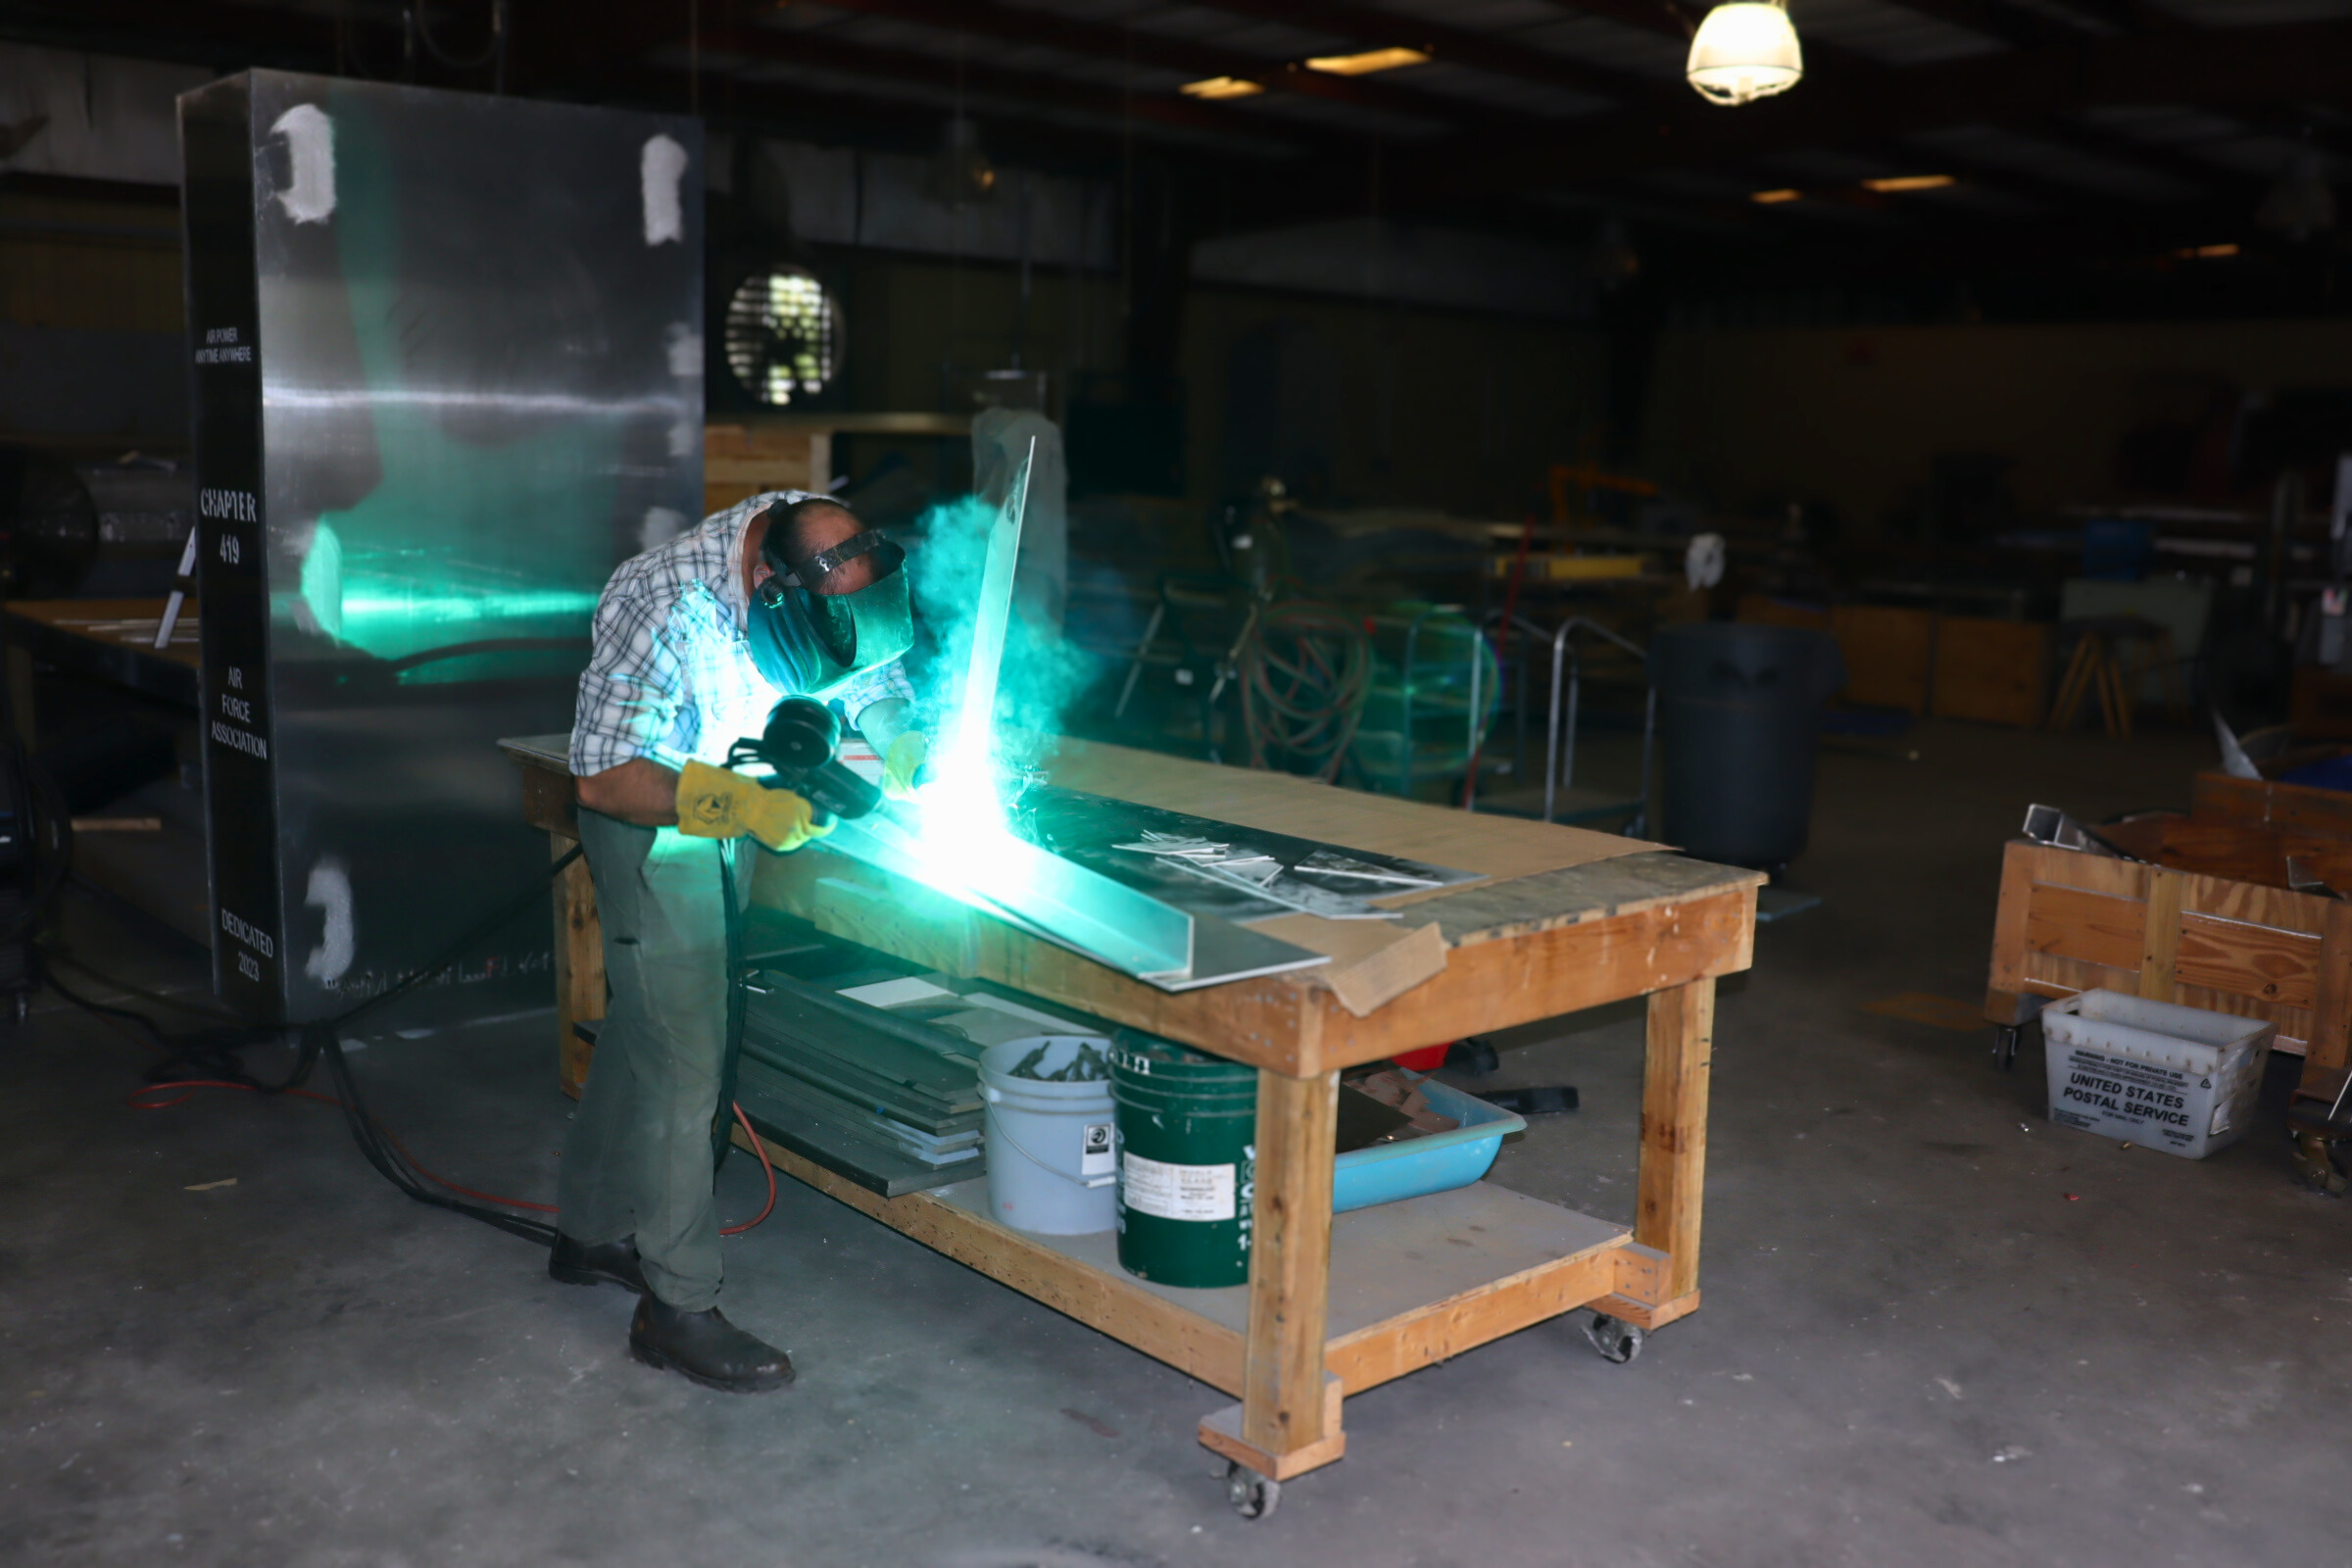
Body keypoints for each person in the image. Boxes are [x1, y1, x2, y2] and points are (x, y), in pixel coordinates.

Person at [555, 490, 926, 1393]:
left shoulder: (823, 559)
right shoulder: (663, 598)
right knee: (689, 1054)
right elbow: (606, 778)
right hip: (658, 814)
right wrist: (746, 807)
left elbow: (865, 666)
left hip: (739, 798)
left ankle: (590, 1229)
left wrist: (902, 735)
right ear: (768, 587)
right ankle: (674, 1304)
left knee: (650, 1019)